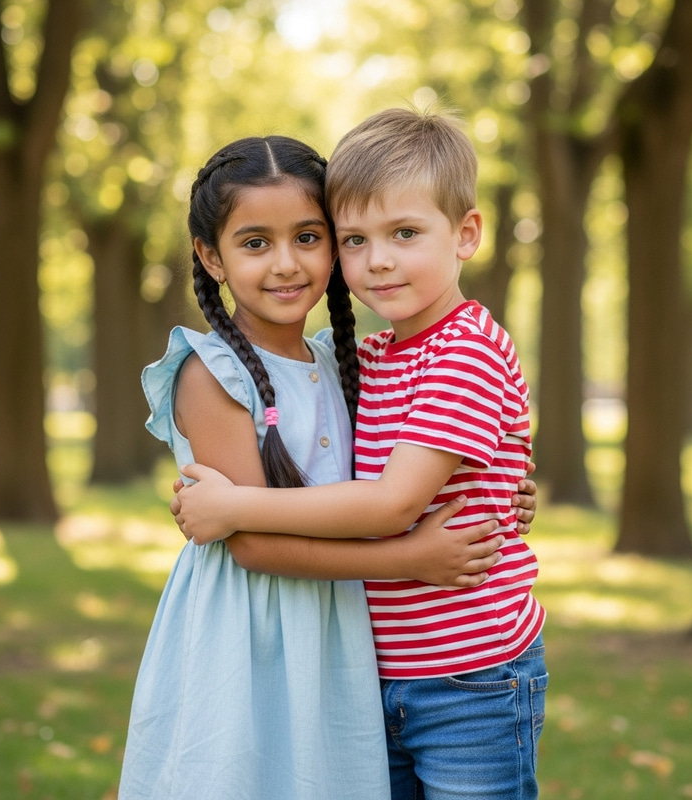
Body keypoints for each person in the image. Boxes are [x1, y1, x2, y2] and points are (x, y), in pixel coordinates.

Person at [118, 134, 537, 800]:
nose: (286, 263)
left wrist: (499, 485)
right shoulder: (217, 373)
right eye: (256, 243)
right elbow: (251, 544)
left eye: (309, 238)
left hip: (396, 652)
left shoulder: (345, 361)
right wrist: (411, 557)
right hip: (253, 643)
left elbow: (409, 478)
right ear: (211, 256)